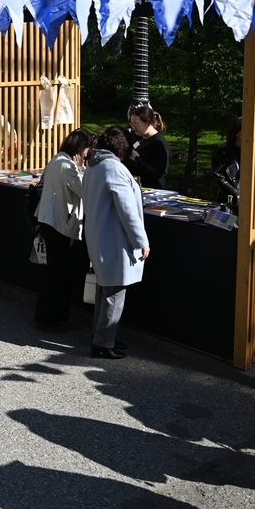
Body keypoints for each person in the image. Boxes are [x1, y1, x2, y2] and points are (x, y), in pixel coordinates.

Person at [83, 126, 151, 359]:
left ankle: (101, 336)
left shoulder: (95, 165)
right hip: (113, 238)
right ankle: (103, 342)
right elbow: (127, 210)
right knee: (114, 292)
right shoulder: (114, 168)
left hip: (99, 234)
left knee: (104, 289)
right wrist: (141, 240)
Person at [33, 128, 94, 333]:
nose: (88, 153)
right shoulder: (67, 166)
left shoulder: (58, 160)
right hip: (58, 225)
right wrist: (83, 169)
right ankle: (45, 319)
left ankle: (59, 317)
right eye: (87, 149)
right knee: (56, 274)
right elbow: (85, 190)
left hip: (55, 223)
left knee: (62, 273)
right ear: (79, 147)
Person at [123, 103, 170, 189]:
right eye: (132, 124)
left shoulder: (158, 143)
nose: (134, 128)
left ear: (148, 123)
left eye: (136, 124)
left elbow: (158, 173)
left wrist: (137, 158)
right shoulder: (138, 137)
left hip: (153, 189)